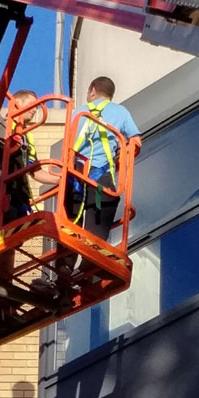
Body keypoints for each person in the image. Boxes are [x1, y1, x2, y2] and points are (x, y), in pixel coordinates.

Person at [58, 76, 141, 275]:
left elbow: (67, 143)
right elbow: (136, 142)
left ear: (92, 90)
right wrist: (119, 162)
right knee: (98, 221)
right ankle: (90, 264)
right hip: (103, 176)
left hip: (76, 174)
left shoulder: (78, 112)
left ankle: (63, 268)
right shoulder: (120, 112)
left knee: (69, 221)